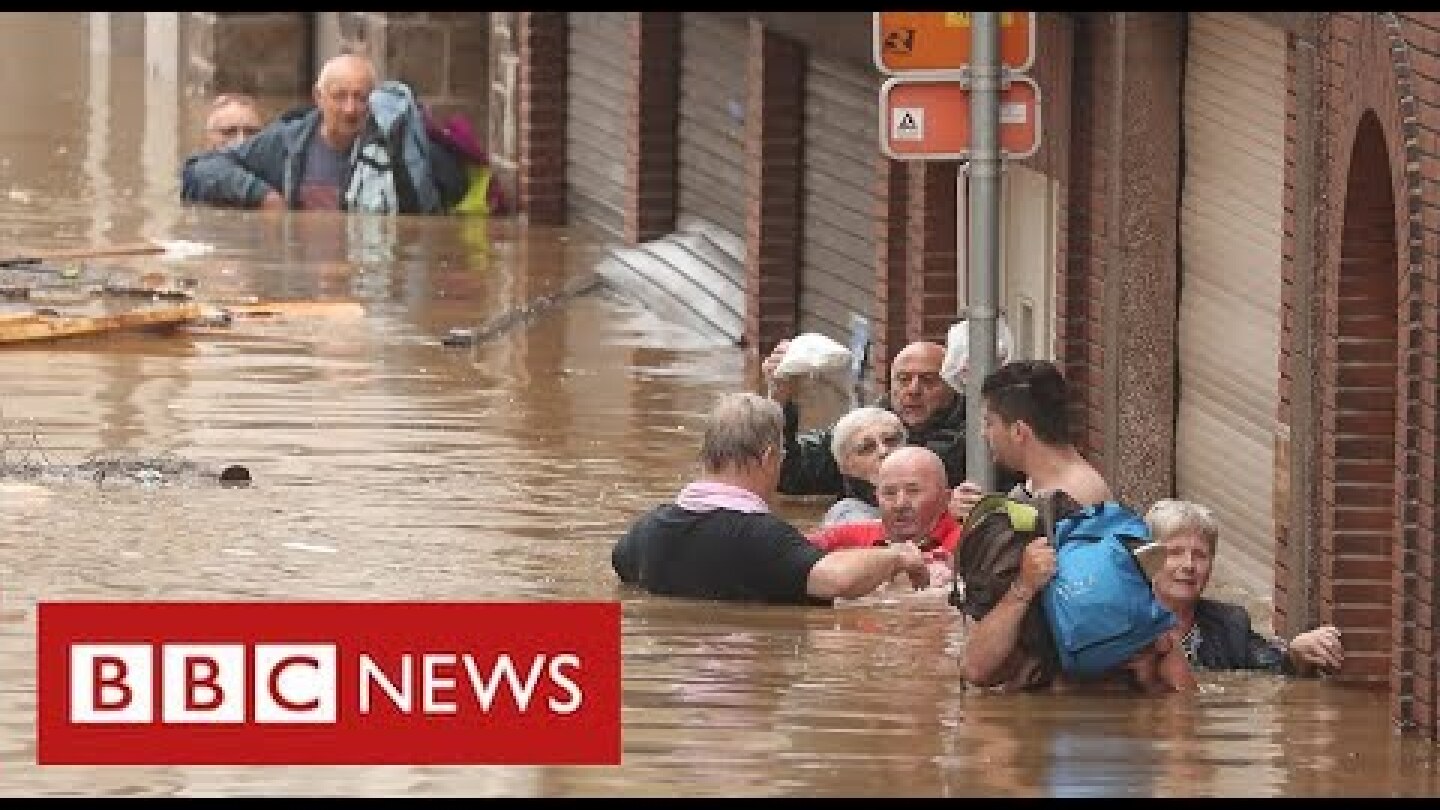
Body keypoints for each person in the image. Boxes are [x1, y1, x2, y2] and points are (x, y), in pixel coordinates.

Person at [953, 360, 1193, 693]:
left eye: (989, 422)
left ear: (1019, 431)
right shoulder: (1042, 490)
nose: (984, 433)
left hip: (1078, 711)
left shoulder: (1077, 501)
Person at [611, 392, 931, 605]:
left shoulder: (646, 530)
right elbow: (837, 580)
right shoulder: (762, 536)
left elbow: (620, 569)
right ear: (768, 458)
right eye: (781, 458)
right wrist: (898, 557)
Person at [180, 52, 464, 214]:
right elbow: (200, 169)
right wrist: (262, 195)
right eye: (339, 97)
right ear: (318, 97)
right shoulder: (289, 140)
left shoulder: (397, 148)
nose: (350, 109)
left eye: (361, 97)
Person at [762, 337, 1022, 512]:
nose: (913, 390)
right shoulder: (868, 425)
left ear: (954, 386)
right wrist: (781, 399)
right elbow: (789, 475)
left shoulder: (982, 435)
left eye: (928, 380)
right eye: (903, 379)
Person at [1145, 497, 1345, 676]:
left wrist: (1297, 654)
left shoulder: (1230, 624)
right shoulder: (1124, 625)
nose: (1189, 565)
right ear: (1149, 559)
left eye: (1200, 555)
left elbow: (1274, 666)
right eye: (1175, 553)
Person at [808, 445, 959, 589]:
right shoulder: (847, 537)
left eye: (913, 491)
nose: (900, 504)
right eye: (889, 493)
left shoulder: (969, 542)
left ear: (945, 498)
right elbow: (793, 555)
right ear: (876, 498)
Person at [816, 406, 906, 527]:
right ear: (846, 466)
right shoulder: (846, 515)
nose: (884, 451)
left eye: (891, 440)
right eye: (867, 447)